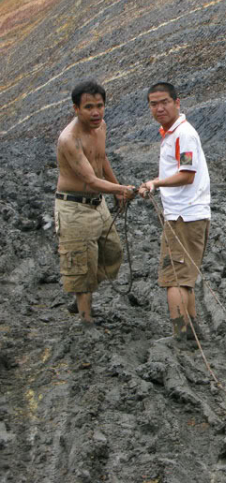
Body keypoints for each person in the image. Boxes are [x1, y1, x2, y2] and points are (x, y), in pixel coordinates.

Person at [55, 81, 136, 325]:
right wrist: (123, 189)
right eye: (88, 107)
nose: (96, 112)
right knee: (81, 263)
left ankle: (82, 293)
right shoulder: (69, 139)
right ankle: (86, 318)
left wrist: (116, 190)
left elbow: (101, 159)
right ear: (76, 109)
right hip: (74, 207)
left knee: (112, 252)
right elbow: (90, 179)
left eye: (99, 106)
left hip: (97, 203)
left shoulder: (101, 128)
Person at [138, 82, 210, 345]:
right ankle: (191, 332)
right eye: (153, 104)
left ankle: (180, 335)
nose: (159, 108)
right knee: (186, 277)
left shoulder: (183, 135)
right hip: (188, 215)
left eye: (164, 102)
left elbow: (187, 174)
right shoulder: (173, 134)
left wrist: (156, 183)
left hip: (184, 216)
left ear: (177, 102)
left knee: (175, 279)